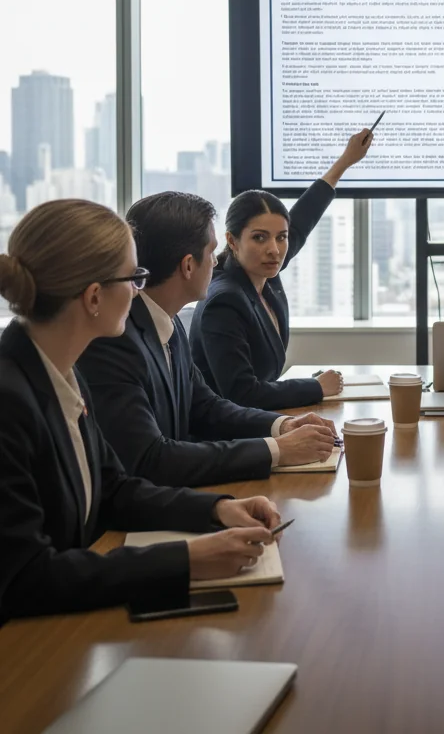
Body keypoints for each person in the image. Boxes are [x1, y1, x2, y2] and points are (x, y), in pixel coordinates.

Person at [0, 199, 284, 622]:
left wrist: (215, 509)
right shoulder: (10, 400)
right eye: (134, 278)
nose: (139, 291)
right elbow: (26, 577)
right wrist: (186, 559)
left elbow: (114, 489)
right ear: (94, 297)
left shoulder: (62, 372)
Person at [78, 192, 337, 488]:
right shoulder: (115, 340)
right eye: (212, 252)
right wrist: (278, 450)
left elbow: (204, 406)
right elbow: (149, 461)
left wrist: (281, 426)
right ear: (189, 265)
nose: (215, 262)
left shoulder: (167, 319)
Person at [191, 130, 372, 410]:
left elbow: (303, 217)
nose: (274, 249)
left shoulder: (263, 272)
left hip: (263, 418)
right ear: (232, 240)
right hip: (229, 435)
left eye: (281, 237)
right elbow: (242, 393)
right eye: (259, 237)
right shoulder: (224, 300)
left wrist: (345, 162)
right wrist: (316, 387)